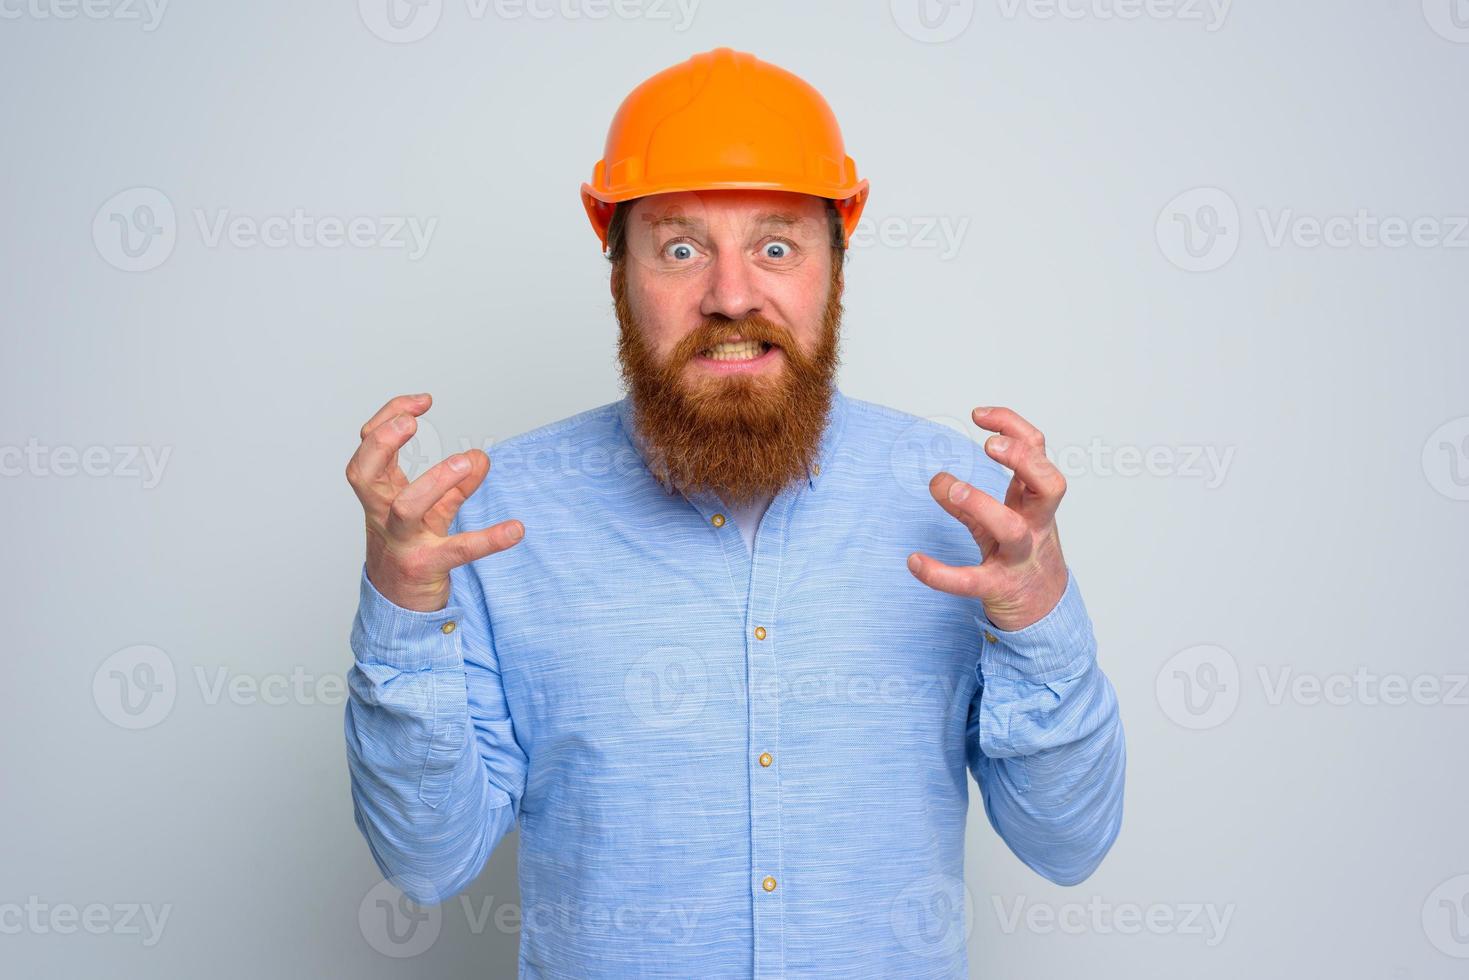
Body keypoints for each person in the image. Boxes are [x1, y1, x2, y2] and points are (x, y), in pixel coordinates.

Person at [343, 46, 1125, 979]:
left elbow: (1067, 844)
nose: (730, 294)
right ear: (616, 275)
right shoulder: (491, 518)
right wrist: (402, 617)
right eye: (679, 248)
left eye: (776, 246)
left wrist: (1039, 616)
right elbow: (428, 863)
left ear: (836, 267)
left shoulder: (966, 510)